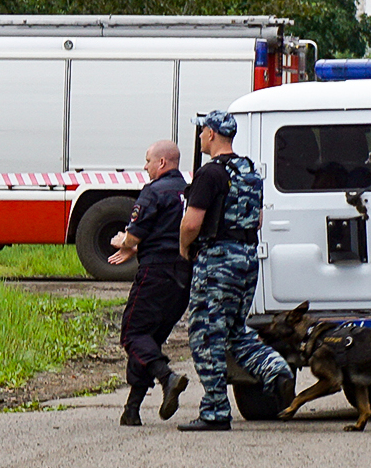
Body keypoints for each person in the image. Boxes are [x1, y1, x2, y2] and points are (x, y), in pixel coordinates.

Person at [176, 111, 296, 431]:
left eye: (202, 131)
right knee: (234, 332)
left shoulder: (209, 174)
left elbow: (192, 222)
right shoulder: (249, 172)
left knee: (206, 335)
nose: (200, 136)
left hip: (217, 261)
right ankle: (276, 370)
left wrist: (185, 247)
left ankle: (215, 410)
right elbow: (256, 220)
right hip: (247, 257)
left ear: (213, 134)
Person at [108, 140, 190, 426]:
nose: (145, 167)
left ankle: (168, 378)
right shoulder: (190, 191)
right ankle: (132, 409)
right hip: (184, 275)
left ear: (162, 163)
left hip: (156, 272)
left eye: (147, 161)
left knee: (132, 334)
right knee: (149, 340)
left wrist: (124, 242)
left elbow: (134, 235)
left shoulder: (154, 192)